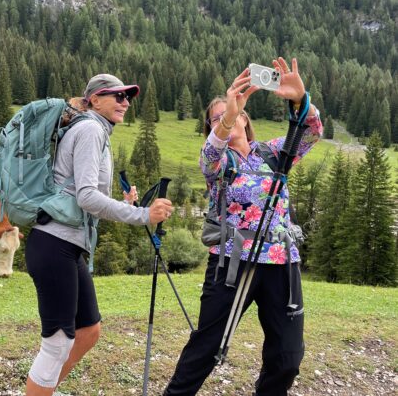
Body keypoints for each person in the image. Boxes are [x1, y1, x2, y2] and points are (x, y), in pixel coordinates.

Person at [163, 58, 323, 396]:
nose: (229, 118)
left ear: (248, 119)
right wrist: (225, 120)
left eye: (236, 112)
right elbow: (207, 157)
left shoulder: (273, 152)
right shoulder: (220, 162)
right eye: (218, 117)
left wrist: (300, 100)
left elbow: (310, 134)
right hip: (232, 263)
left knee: (288, 356)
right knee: (207, 346)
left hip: (282, 262)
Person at [25, 74, 174, 396]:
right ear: (93, 99)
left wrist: (122, 204)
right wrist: (142, 215)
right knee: (57, 341)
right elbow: (87, 198)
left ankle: (43, 390)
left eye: (128, 97)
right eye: (117, 96)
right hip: (55, 244)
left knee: (88, 331)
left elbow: (81, 196)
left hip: (67, 245)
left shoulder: (94, 130)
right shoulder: (91, 129)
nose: (125, 102)